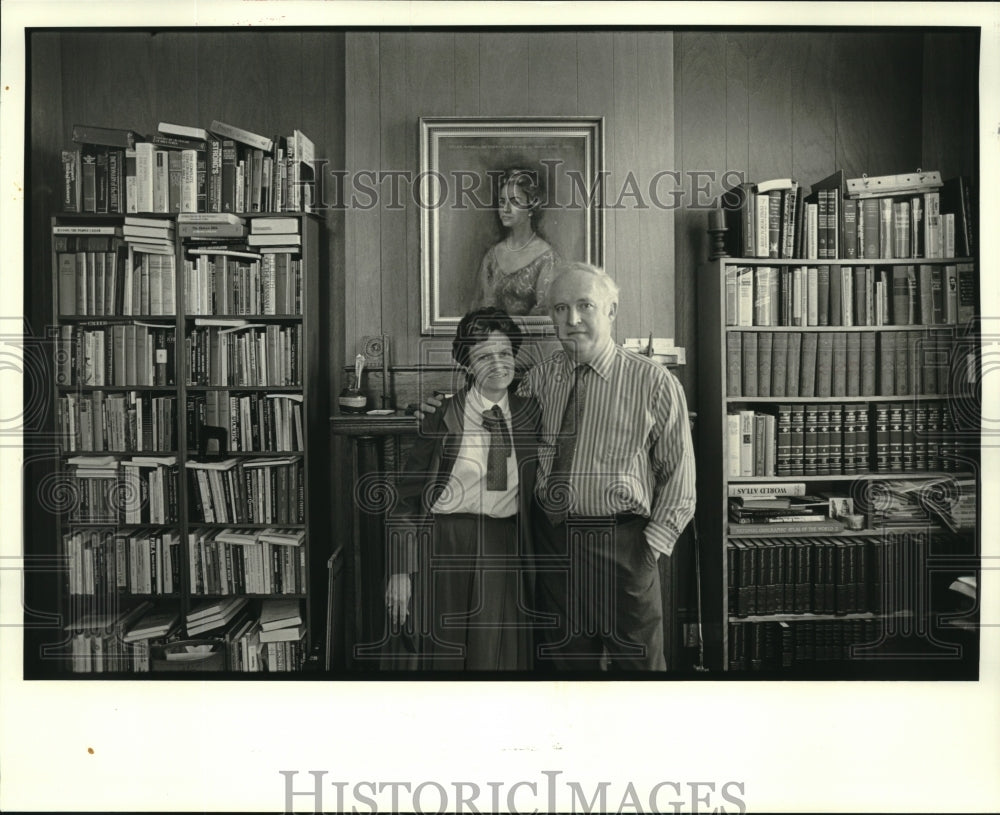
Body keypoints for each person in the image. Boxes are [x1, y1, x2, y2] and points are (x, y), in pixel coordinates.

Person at [420, 262, 696, 671]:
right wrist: (444, 408)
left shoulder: (654, 382)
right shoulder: (540, 381)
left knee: (639, 672)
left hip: (623, 547)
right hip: (553, 548)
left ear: (612, 310)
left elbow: (680, 480)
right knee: (565, 674)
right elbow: (491, 400)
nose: (573, 319)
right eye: (561, 308)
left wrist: (648, 551)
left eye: (585, 305)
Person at [384, 307, 541, 670]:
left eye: (505, 353)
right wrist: (399, 570)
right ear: (467, 364)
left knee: (496, 656)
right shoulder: (441, 415)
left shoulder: (533, 412)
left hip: (504, 545)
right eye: (484, 356)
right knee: (445, 656)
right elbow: (407, 500)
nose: (498, 363)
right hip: (443, 543)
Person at [475, 168, 559, 317]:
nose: (505, 209)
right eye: (502, 202)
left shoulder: (547, 257)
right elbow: (482, 307)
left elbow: (544, 313)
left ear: (531, 207)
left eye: (514, 202)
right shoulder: (492, 256)